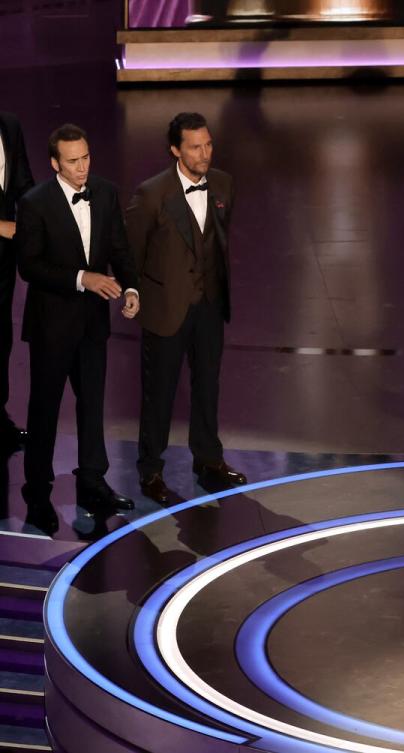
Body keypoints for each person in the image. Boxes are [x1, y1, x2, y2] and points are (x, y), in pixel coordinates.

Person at [16, 124, 139, 513]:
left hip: (91, 325)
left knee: (92, 405)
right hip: (51, 326)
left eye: (86, 157)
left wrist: (132, 289)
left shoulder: (105, 193)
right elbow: (29, 266)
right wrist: (83, 278)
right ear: (55, 163)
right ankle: (37, 489)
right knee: (45, 407)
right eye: (73, 161)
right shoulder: (35, 202)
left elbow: (119, 249)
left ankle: (92, 482)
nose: (82, 167)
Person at [126, 112, 246, 503]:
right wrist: (137, 293)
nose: (205, 153)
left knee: (207, 386)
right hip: (167, 308)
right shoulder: (152, 194)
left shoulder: (224, 183)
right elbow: (131, 252)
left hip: (209, 304)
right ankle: (150, 472)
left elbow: (217, 240)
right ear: (176, 150)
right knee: (159, 394)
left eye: (208, 143)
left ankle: (209, 460)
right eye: (195, 146)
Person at [0, 111, 34, 452]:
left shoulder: (10, 126)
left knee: (2, 337)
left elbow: (24, 184)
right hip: (4, 236)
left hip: (4, 260)